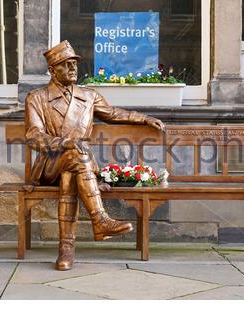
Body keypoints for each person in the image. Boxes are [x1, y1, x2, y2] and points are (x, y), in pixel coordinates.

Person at [25, 40, 165, 271]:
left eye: (74, 63)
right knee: (75, 156)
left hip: (77, 164)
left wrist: (144, 118)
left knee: (73, 169)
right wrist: (64, 142)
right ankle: (99, 220)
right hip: (50, 166)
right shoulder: (37, 98)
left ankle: (66, 250)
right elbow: (33, 136)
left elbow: (112, 113)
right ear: (52, 70)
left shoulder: (89, 96)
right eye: (65, 64)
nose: (73, 68)